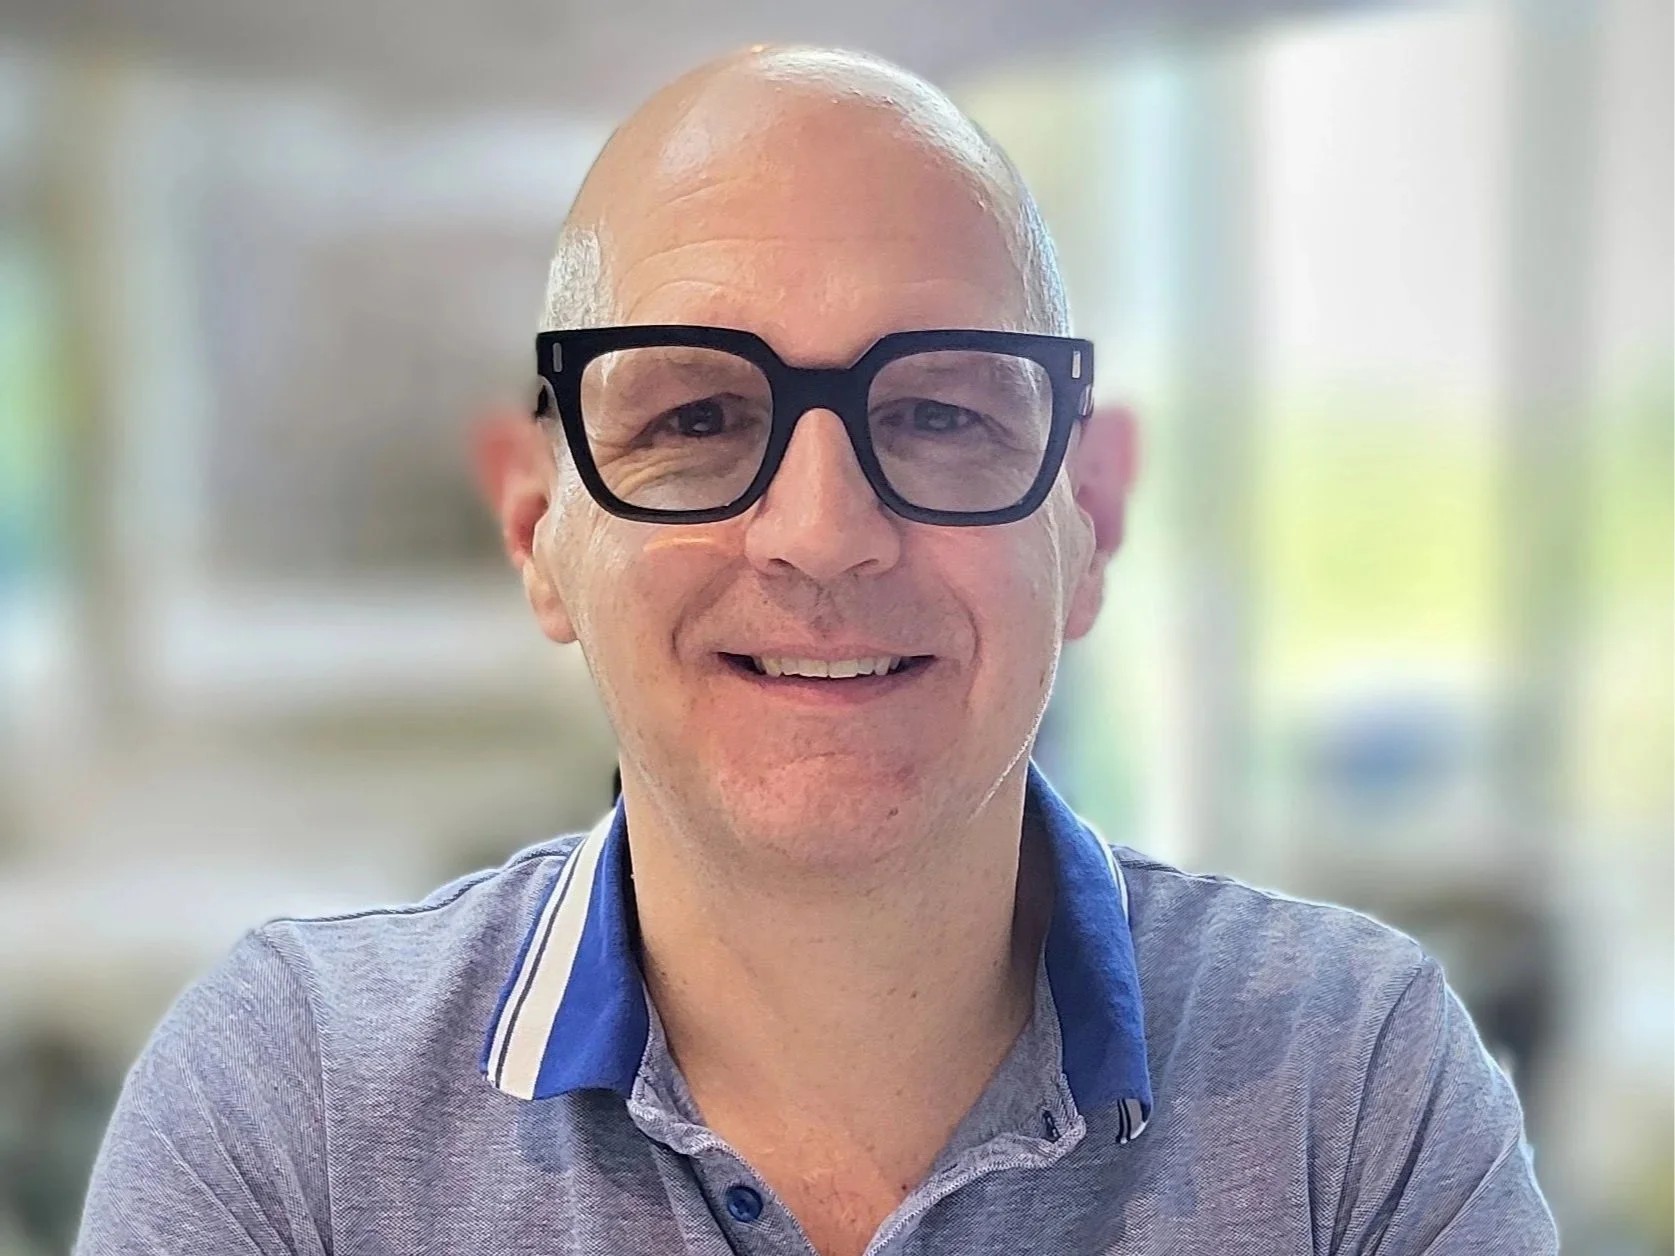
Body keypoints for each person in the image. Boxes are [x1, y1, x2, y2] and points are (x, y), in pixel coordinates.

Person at [75, 45, 1557, 1256]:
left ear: (1088, 517)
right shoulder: (292, 1112)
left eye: (938, 413)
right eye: (697, 420)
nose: (822, 532)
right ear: (540, 533)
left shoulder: (1354, 1087)